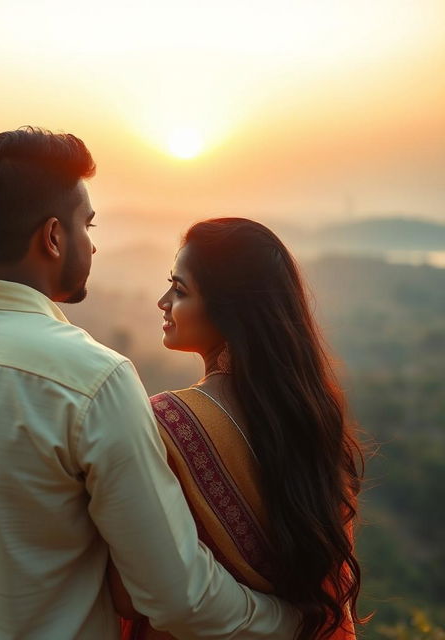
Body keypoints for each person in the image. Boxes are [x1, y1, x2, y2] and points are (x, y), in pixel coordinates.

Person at [0, 128, 300, 639]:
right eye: (87, 224)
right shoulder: (93, 381)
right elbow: (176, 596)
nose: (93, 241)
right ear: (54, 237)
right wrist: (290, 620)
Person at [110, 218, 364, 640]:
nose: (162, 301)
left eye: (179, 290)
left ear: (229, 312)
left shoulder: (167, 420)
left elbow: (131, 593)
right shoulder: (309, 421)